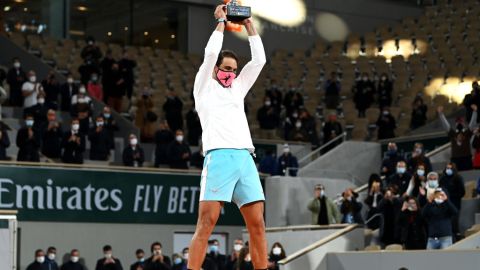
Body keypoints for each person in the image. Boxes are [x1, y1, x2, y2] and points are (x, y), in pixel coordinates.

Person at [188, 6, 267, 270]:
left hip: (245, 158)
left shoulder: (238, 88)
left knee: (257, 224)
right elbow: (210, 53)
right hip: (218, 157)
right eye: (225, 68)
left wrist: (248, 24)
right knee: (207, 222)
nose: (230, 73)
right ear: (215, 69)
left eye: (233, 69)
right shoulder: (204, 87)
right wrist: (221, 22)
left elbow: (259, 62)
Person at [438, 105, 477, 171]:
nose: (459, 124)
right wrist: (441, 114)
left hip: (466, 159)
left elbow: (472, 124)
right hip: (455, 159)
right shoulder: (453, 134)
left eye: (461, 122)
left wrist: (475, 112)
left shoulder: (467, 133)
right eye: (458, 122)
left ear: (464, 123)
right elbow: (445, 125)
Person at [439, 162, 465, 239]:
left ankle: (456, 235)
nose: (448, 170)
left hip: (455, 203)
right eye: (447, 168)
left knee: (454, 221)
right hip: (444, 204)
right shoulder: (442, 179)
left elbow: (462, 192)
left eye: (450, 168)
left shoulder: (458, 178)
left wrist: (451, 196)